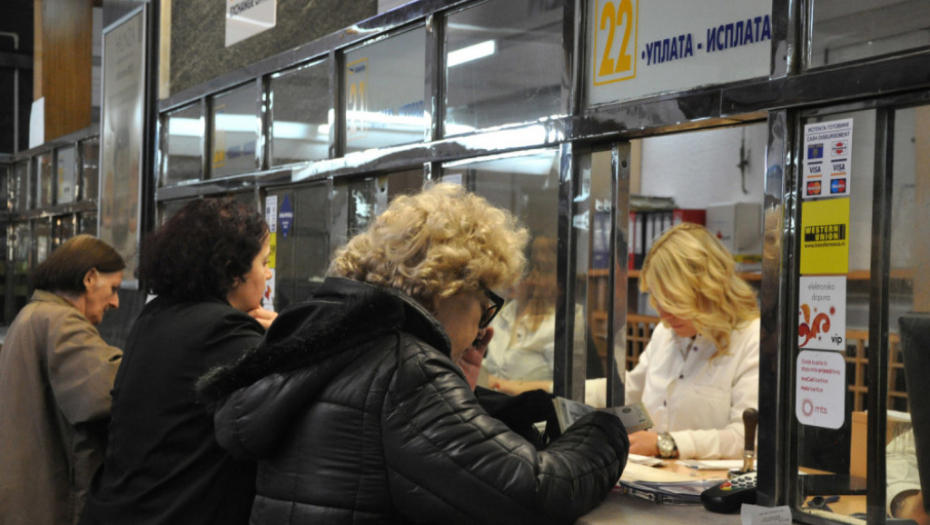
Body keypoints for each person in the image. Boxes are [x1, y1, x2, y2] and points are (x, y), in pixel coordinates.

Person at [197, 183, 629, 525]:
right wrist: (607, 427)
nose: (484, 327)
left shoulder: (329, 338)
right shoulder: (404, 366)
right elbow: (535, 490)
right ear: (450, 289)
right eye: (485, 305)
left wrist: (459, 389)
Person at [79, 199, 276, 525]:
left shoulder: (156, 314)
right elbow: (285, 394)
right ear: (233, 270)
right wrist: (281, 333)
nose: (268, 274)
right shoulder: (222, 330)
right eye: (263, 262)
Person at [0, 235, 125, 525]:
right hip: (46, 503)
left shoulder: (33, 314)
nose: (116, 302)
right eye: (114, 289)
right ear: (90, 278)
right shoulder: (61, 321)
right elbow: (105, 391)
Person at [623, 222, 760, 460]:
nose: (663, 314)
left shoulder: (752, 338)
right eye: (658, 299)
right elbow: (629, 394)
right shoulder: (665, 333)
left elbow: (746, 439)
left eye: (674, 301)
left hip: (710, 482)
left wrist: (665, 444)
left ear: (708, 290)